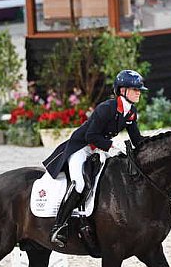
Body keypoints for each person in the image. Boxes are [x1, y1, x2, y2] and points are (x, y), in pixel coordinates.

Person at [42, 70, 147, 248]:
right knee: (80, 183)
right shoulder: (106, 108)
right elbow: (91, 136)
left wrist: (153, 145)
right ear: (122, 90)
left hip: (98, 148)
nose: (139, 92)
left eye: (139, 90)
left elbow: (137, 139)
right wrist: (112, 146)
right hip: (81, 148)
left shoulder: (130, 112)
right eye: (134, 89)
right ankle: (59, 225)